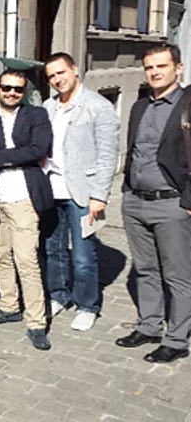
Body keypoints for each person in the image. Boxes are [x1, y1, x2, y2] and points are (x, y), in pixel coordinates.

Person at [115, 44, 191, 363]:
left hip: (171, 204)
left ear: (178, 68)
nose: (155, 72)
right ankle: (149, 326)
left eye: (162, 66)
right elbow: (135, 150)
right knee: (145, 269)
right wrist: (127, 191)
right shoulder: (139, 106)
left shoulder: (188, 105)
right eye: (149, 67)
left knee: (177, 274)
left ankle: (177, 339)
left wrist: (188, 202)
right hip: (135, 201)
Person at [42, 52, 119, 331]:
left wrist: (99, 195)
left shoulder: (98, 106)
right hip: (51, 190)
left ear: (74, 70)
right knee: (53, 250)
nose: (57, 79)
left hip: (83, 193)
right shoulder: (48, 106)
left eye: (61, 72)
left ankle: (87, 305)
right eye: (51, 76)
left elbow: (108, 155)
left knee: (83, 255)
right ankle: (59, 295)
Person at [0, 69, 53, 350]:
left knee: (26, 260)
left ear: (24, 92)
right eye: (7, 88)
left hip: (24, 197)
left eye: (18, 89)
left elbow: (38, 149)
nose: (12, 93)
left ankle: (36, 322)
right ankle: (9, 306)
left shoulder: (37, 115)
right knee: (0, 254)